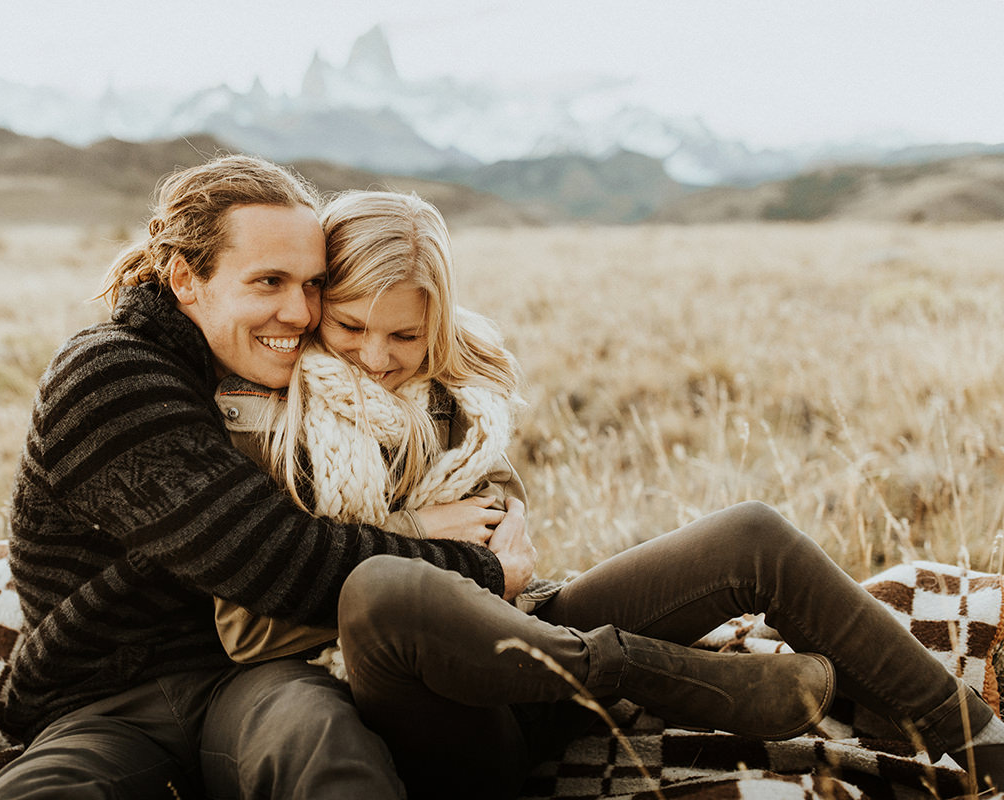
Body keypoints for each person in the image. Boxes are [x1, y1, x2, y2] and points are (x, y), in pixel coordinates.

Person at [213, 190, 1004, 800]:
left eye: (406, 336)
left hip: (530, 659)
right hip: (431, 720)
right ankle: (644, 671)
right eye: (351, 327)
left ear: (439, 325)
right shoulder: (271, 419)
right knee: (385, 589)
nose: (378, 357)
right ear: (317, 307)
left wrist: (496, 558)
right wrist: (423, 538)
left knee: (750, 534)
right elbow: (246, 634)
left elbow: (506, 559)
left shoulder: (460, 400)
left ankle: (979, 742)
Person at [0, 155, 530, 800]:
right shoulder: (108, 376)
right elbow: (276, 560)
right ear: (186, 278)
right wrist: (470, 564)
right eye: (269, 281)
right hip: (106, 697)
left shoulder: (282, 385)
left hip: (259, 679)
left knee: (329, 755)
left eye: (312, 285)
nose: (300, 314)